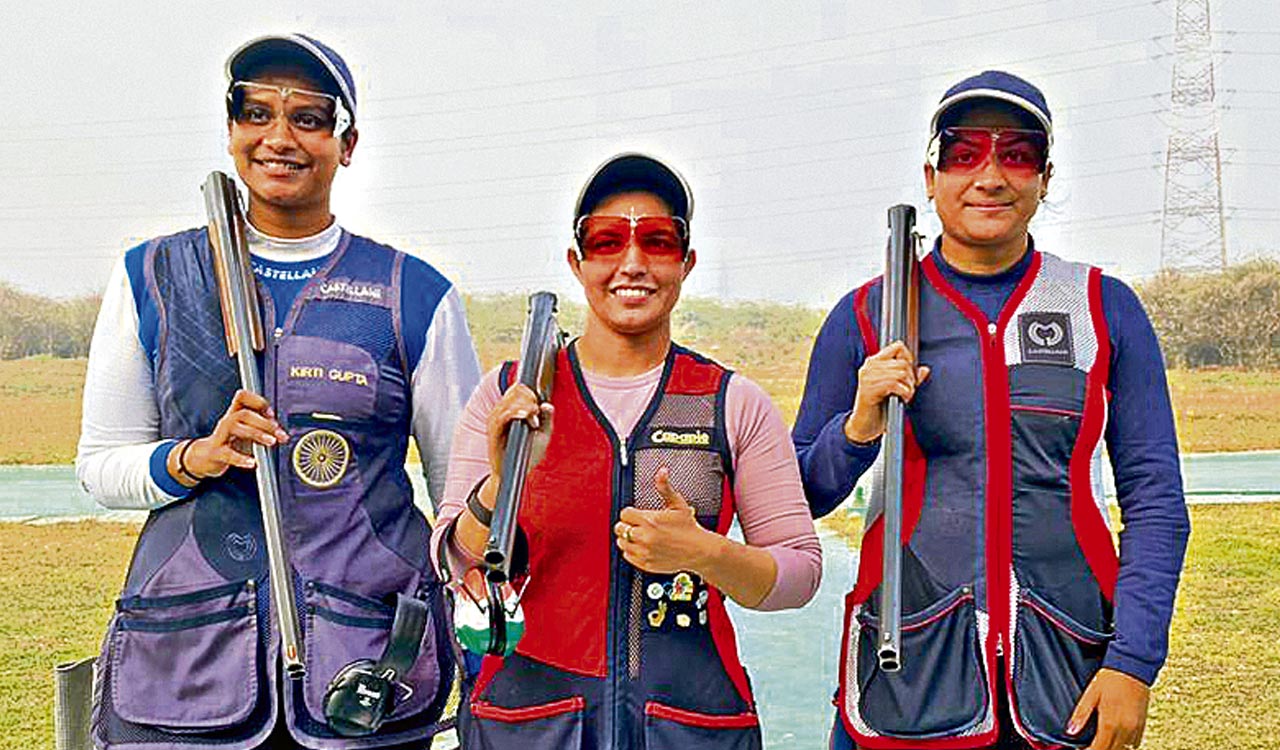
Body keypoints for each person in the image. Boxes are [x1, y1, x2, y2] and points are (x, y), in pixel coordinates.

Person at [76, 34, 482, 749]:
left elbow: (460, 506)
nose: (278, 137)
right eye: (255, 111)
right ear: (231, 129)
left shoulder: (415, 294)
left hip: (364, 670)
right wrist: (191, 459)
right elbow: (100, 467)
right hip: (188, 670)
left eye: (309, 117)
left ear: (347, 143)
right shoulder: (153, 276)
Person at [792, 71, 1190, 750]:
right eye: (965, 152)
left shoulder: (1102, 306)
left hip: (1068, 678)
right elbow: (800, 495)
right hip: (906, 676)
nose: (990, 175)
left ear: (1044, 175)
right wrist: (859, 425)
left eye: (1017, 153)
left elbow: (1155, 500)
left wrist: (1133, 662)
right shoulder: (867, 313)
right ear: (930, 173)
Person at [429, 152, 823, 749]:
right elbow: (457, 562)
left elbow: (799, 573)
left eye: (658, 241)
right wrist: (502, 483)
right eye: (608, 241)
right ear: (577, 262)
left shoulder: (731, 402)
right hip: (530, 726)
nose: (633, 263)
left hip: (688, 725)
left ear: (686, 262)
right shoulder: (508, 394)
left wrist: (707, 554)